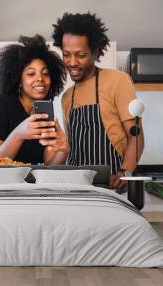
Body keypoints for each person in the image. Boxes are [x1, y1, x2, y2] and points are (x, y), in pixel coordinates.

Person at [52, 12, 144, 188]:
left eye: (81, 55)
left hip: (113, 186)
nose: (72, 62)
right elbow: (71, 147)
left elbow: (137, 137)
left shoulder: (117, 81)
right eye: (66, 54)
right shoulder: (66, 97)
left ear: (95, 52)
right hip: (77, 187)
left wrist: (124, 173)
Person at [0, 34, 69, 165]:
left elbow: (50, 166)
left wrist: (63, 151)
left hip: (27, 185)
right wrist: (18, 134)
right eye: (31, 74)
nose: (40, 78)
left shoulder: (43, 112)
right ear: (19, 80)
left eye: (45, 73)